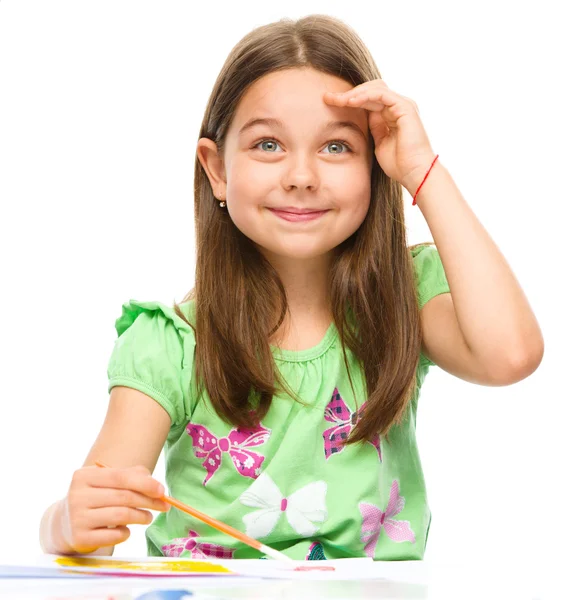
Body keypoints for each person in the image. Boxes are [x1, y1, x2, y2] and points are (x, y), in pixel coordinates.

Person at [39, 14, 544, 561]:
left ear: (374, 167)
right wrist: (65, 523)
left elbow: (510, 356)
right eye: (268, 145)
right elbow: (95, 522)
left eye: (336, 148)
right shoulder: (172, 342)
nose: (301, 176)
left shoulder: (405, 301)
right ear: (216, 171)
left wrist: (420, 169)